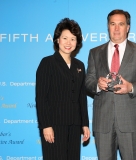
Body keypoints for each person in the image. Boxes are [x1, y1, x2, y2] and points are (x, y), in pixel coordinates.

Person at [85, 9, 136, 160]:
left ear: (128, 27)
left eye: (121, 24)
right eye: (112, 24)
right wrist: (97, 84)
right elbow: (88, 81)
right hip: (103, 121)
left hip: (130, 121)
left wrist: (131, 87)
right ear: (107, 26)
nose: (116, 28)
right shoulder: (95, 52)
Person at [36, 18, 90, 160]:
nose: (68, 42)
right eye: (65, 38)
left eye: (73, 39)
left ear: (77, 42)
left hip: (74, 124)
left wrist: (85, 123)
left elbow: (81, 97)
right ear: (57, 40)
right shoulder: (47, 63)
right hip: (54, 124)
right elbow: (41, 98)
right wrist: (46, 125)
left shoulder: (80, 65)